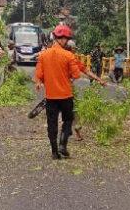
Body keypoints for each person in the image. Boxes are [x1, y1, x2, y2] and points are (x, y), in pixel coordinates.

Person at [35, 25, 81, 159]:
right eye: (66, 39)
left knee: (52, 123)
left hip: (51, 97)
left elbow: (39, 75)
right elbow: (77, 75)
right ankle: (63, 144)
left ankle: (54, 152)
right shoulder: (68, 55)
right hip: (66, 95)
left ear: (54, 38)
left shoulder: (43, 55)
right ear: (64, 39)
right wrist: (68, 76)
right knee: (68, 120)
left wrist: (39, 83)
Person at [66, 40, 107, 141]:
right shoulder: (67, 57)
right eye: (74, 50)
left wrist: (99, 79)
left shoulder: (73, 59)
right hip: (64, 88)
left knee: (73, 110)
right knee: (72, 110)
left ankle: (74, 133)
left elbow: (85, 70)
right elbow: (86, 71)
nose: (74, 52)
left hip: (67, 88)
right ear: (70, 49)